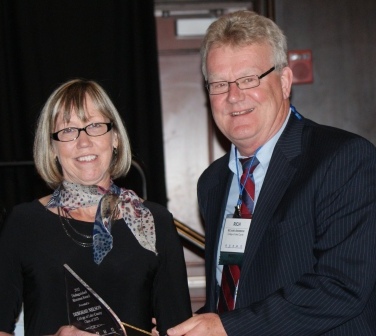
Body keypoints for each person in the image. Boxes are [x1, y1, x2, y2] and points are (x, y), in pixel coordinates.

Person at [167, 10, 376, 336]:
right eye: (219, 83)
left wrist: (227, 327)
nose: (233, 97)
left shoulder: (343, 160)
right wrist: (184, 330)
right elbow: (234, 298)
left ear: (284, 81)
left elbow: (342, 286)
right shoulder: (213, 182)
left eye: (249, 79)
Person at [0, 79, 192, 336]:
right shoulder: (23, 222)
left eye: (95, 126)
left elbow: (179, 329)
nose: (84, 142)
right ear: (53, 147)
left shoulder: (155, 221)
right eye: (68, 130)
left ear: (114, 138)